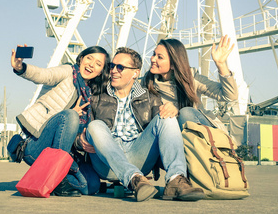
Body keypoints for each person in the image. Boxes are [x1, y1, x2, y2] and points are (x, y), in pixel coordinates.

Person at [79, 47, 205, 202]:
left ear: (135, 73)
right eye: (112, 66)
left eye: (120, 67)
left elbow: (163, 134)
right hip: (107, 162)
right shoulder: (96, 97)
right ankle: (133, 178)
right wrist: (80, 141)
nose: (113, 71)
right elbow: (82, 134)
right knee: (95, 126)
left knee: (167, 116)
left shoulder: (151, 98)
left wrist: (174, 111)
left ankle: (176, 180)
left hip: (139, 155)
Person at [11, 45, 110, 196]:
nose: (91, 64)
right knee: (70, 115)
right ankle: (57, 178)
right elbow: (44, 75)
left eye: (98, 64)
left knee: (91, 185)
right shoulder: (68, 72)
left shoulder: (89, 95)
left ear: (101, 71)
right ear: (81, 58)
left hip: (67, 152)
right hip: (37, 145)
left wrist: (82, 141)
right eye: (89, 58)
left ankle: (55, 178)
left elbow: (71, 136)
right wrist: (21, 67)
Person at [142, 35, 239, 130]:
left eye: (160, 57)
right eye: (154, 54)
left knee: (186, 112)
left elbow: (230, 96)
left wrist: (221, 65)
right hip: (170, 133)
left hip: (201, 131)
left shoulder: (191, 79)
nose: (153, 59)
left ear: (173, 64)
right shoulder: (147, 82)